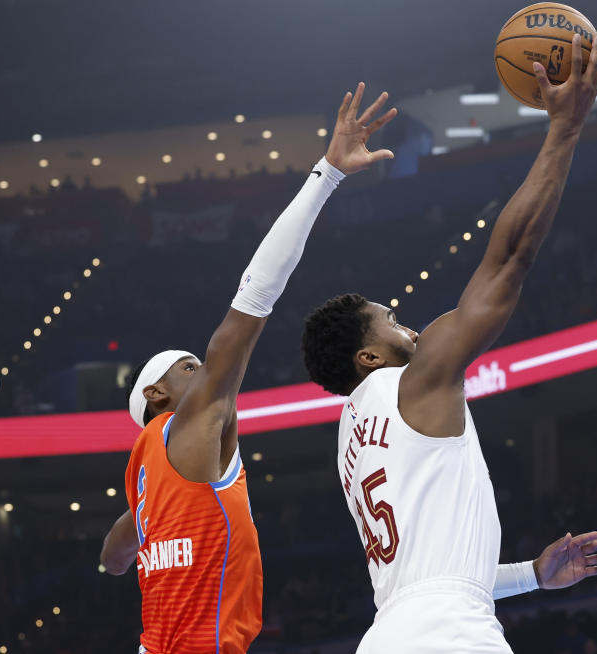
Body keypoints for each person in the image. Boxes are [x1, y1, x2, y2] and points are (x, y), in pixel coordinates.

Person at [301, 34, 597, 653]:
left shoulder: (350, 434)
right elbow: (507, 262)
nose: (411, 328)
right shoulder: (413, 381)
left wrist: (531, 575)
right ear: (367, 356)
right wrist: (565, 130)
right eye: (392, 320)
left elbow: (431, 581)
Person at [98, 83, 398, 653]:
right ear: (159, 395)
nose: (203, 370)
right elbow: (253, 301)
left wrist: (143, 530)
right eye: (190, 367)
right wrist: (326, 176)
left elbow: (112, 561)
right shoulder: (188, 426)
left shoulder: (143, 482)